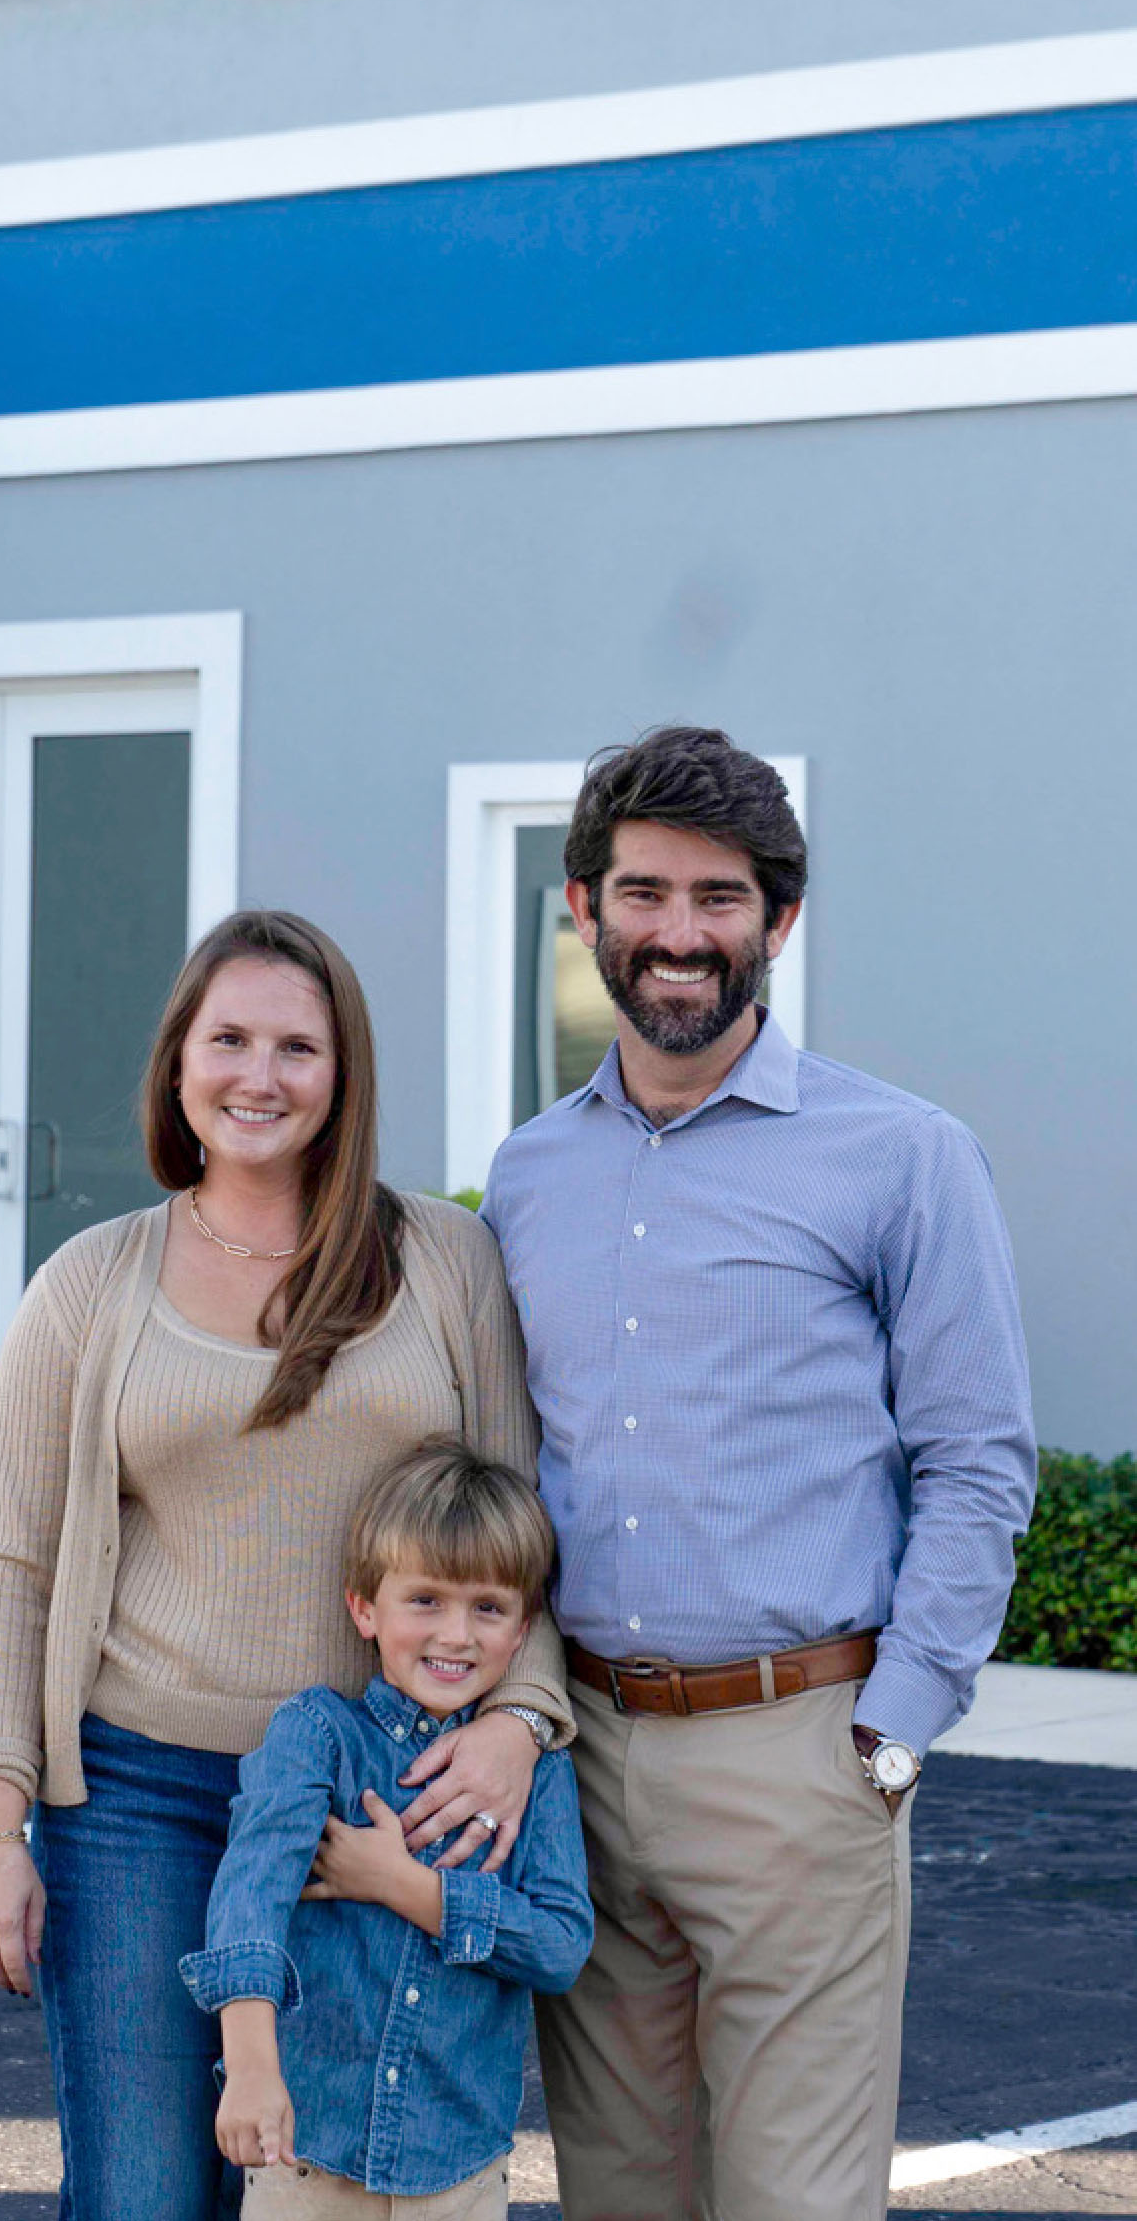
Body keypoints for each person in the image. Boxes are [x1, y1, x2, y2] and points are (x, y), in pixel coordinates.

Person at [484, 725, 1037, 2221]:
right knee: (621, 2194)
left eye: (719, 898)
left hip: (801, 1755)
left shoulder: (901, 1157)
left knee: (795, 2201)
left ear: (777, 920)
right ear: (582, 909)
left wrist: (897, 1729)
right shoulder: (528, 1174)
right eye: (644, 891)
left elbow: (977, 1459)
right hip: (580, 1760)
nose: (679, 934)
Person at [0, 908, 571, 2221]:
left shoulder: (444, 1263)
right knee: (144, 2193)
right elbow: (17, 1568)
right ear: (178, 1064)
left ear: (342, 1076)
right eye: (228, 1039)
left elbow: (524, 1525)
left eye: (298, 1046)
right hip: (135, 1799)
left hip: (379, 1799)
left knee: (337, 2185)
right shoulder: (85, 1288)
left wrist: (521, 1719)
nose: (260, 1076)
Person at [180, 1438, 594, 2217]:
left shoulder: (534, 1774)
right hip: (305, 2150)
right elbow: (251, 1894)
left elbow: (560, 1944)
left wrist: (407, 1888)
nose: (456, 1635)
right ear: (364, 1608)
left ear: (522, 1626)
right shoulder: (317, 1735)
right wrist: (251, 2068)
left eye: (488, 1608)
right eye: (425, 1600)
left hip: (457, 2163)